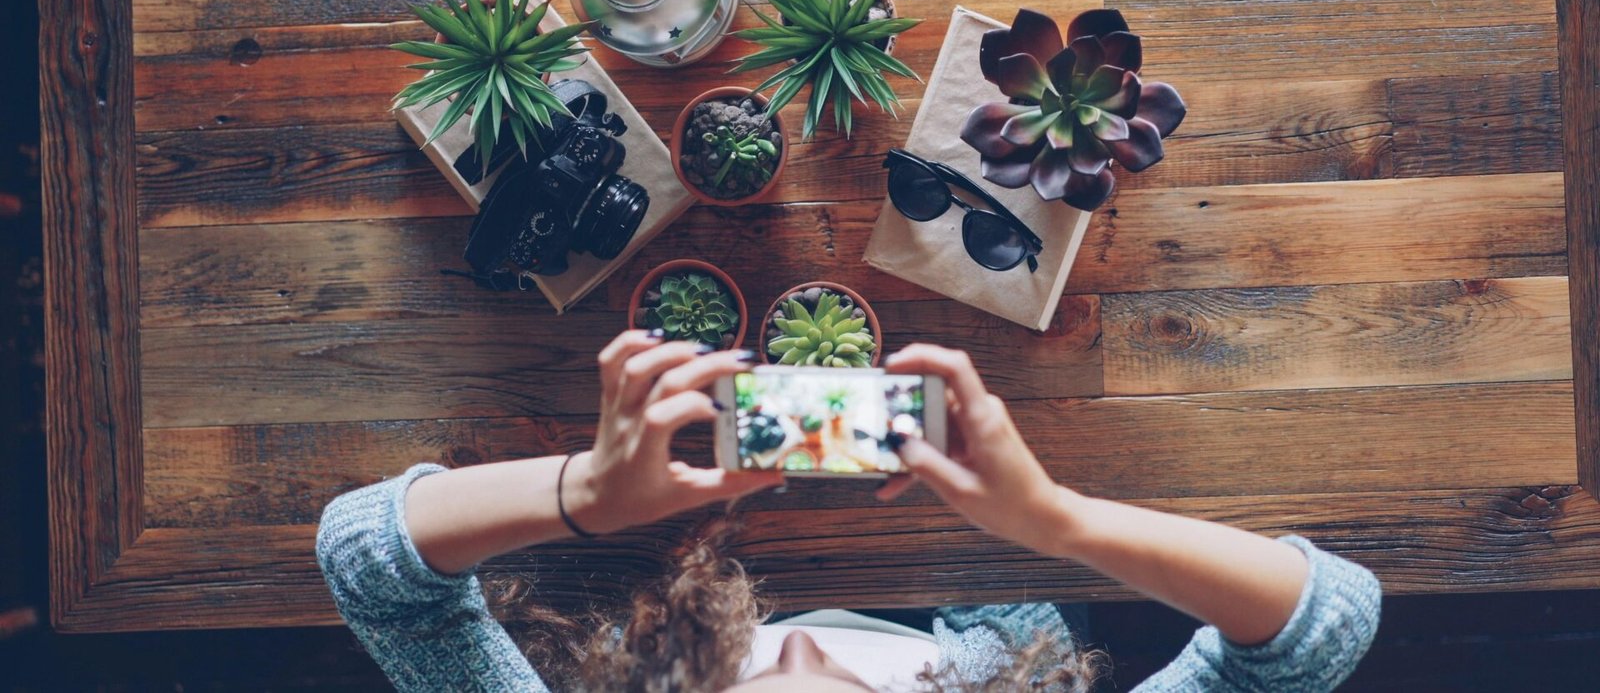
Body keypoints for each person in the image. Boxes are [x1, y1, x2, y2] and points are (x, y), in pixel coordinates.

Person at [317, 332, 1381, 691]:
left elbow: (371, 562)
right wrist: (1054, 520)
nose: (793, 664)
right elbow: (1321, 622)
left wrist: (584, 492)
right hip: (979, 602)